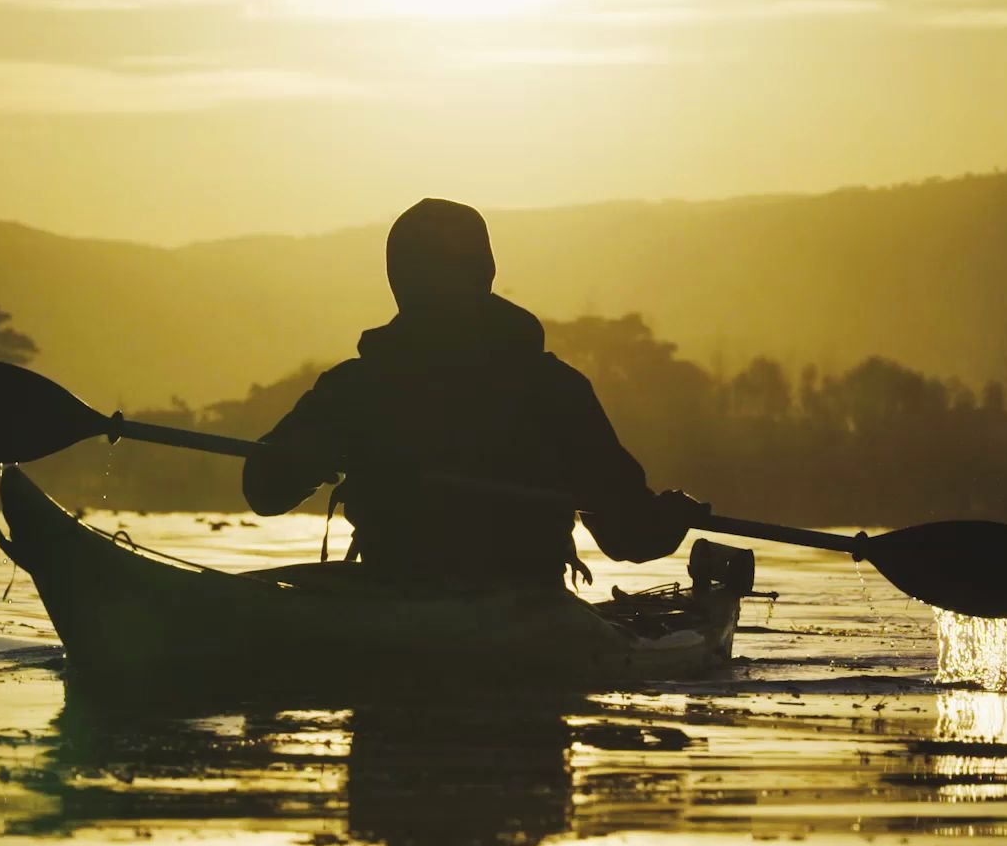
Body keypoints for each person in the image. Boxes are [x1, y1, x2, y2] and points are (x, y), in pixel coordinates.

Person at [242, 197, 708, 592]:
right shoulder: (554, 389)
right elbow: (629, 535)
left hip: (401, 596)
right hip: (519, 613)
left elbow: (264, 490)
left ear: (397, 281)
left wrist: (300, 456)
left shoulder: (355, 388)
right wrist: (671, 515)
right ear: (486, 273)